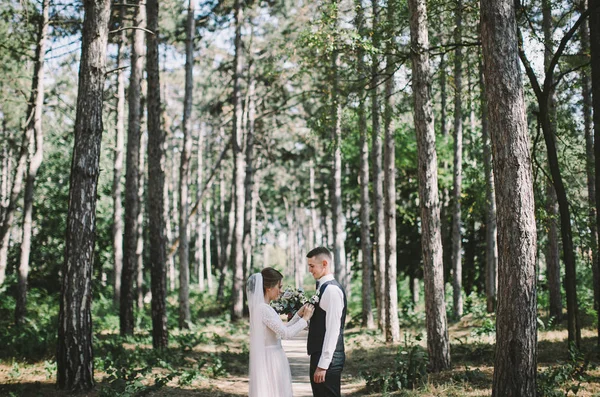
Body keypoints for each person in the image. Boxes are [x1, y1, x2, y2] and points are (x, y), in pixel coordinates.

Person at [247, 267, 315, 397]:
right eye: (279, 286)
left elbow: (281, 329)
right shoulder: (264, 309)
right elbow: (286, 334)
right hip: (271, 358)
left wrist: (298, 315)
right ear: (269, 288)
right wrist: (305, 319)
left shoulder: (264, 308)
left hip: (271, 355)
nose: (281, 290)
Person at [306, 247, 347, 397]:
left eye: (312, 266)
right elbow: (322, 324)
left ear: (324, 263)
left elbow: (333, 330)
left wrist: (323, 365)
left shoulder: (331, 290)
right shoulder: (322, 287)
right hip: (319, 354)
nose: (310, 270)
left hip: (328, 359)